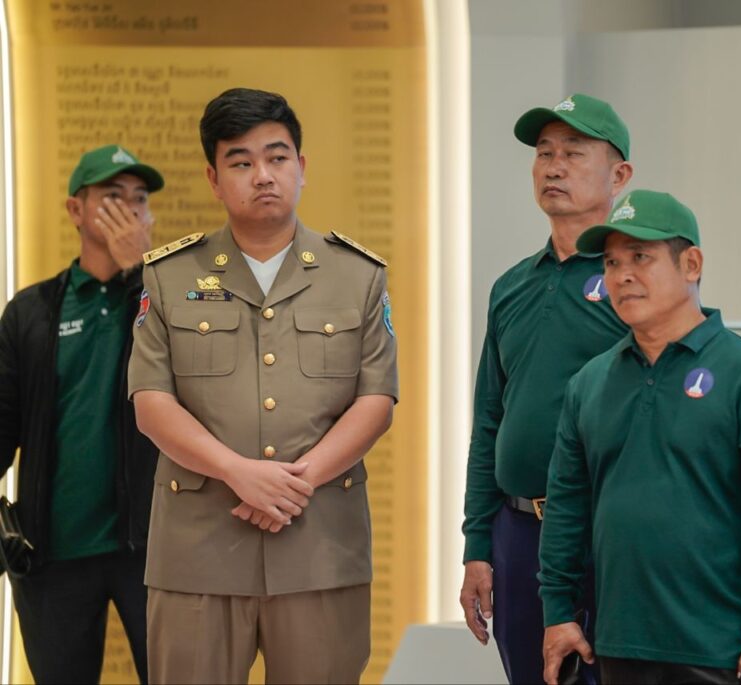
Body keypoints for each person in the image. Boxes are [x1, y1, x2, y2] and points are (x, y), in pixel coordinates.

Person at [127, 88, 398, 684]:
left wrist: (295, 484)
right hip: (198, 549)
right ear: (213, 178)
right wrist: (237, 471)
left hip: (320, 546)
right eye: (241, 161)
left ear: (301, 166)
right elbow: (151, 403)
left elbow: (376, 401)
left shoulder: (357, 275)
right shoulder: (169, 275)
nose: (263, 175)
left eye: (277, 158)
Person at [538, 190, 741, 685]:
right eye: (611, 262)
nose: (621, 275)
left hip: (723, 648)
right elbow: (566, 509)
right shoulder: (589, 384)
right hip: (618, 645)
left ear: (691, 265)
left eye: (640, 257)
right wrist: (557, 612)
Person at [460, 93, 633, 684]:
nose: (554, 167)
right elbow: (489, 421)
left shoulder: (633, 284)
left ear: (619, 176)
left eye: (573, 154)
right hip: (517, 532)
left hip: (606, 532)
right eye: (544, 153)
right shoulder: (511, 287)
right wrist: (477, 545)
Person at [0, 144, 164, 683]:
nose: (130, 210)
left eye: (139, 199)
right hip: (53, 552)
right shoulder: (31, 311)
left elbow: (194, 380)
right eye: (113, 197)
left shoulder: (166, 302)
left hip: (154, 551)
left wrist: (142, 273)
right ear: (76, 209)